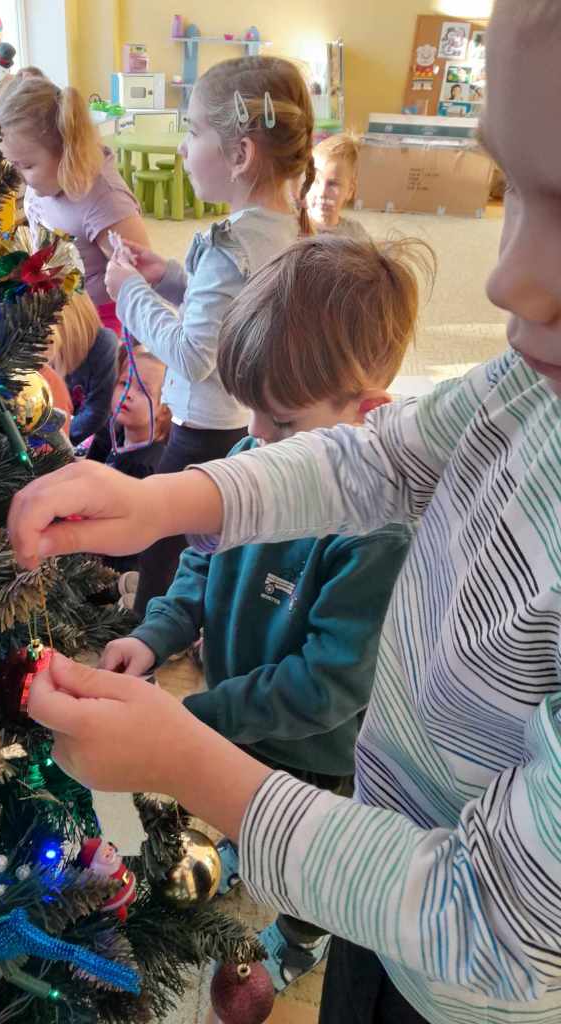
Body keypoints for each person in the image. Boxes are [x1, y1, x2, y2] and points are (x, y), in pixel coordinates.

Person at [8, 3, 561, 1022]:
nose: (507, 277)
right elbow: (376, 460)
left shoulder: (375, 548)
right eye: (514, 187)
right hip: (379, 867)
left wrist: (184, 747)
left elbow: (494, 928)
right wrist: (163, 505)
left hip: (455, 981)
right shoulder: (530, 391)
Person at [100, 234, 424, 992]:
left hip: (319, 752)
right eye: (252, 414)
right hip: (243, 712)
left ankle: (302, 938)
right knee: (248, 809)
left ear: (367, 414)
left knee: (307, 861)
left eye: (281, 423)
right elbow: (200, 562)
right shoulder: (253, 459)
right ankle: (249, 846)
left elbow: (325, 685)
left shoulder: (376, 537)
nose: (256, 439)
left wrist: (195, 722)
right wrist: (155, 636)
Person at [104, 55, 315, 618]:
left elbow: (194, 354)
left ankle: (150, 626)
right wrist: (169, 278)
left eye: (193, 132)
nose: (183, 148)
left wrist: (129, 293)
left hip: (204, 428)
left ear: (240, 154)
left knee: (163, 534)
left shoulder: (229, 246)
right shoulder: (286, 227)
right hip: (246, 419)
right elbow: (232, 311)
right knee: (213, 535)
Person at [0, 74, 150, 332]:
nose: (16, 176)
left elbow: (141, 280)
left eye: (27, 166)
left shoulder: (106, 202)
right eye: (12, 163)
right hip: (59, 309)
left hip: (103, 321)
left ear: (66, 150)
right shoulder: (42, 183)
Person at [86, 346, 171, 583]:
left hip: (112, 571)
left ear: (164, 410)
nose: (128, 394)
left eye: (143, 390)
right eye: (124, 383)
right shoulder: (112, 434)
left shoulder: (147, 467)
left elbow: (131, 538)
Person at [48, 290, 118, 446]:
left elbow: (97, 412)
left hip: (91, 443)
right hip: (58, 437)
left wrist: (54, 441)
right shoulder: (49, 352)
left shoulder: (103, 343)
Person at [306, 133, 369, 239]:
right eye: (315, 181)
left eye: (332, 184)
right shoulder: (291, 229)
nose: (322, 193)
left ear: (350, 191)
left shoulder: (356, 235)